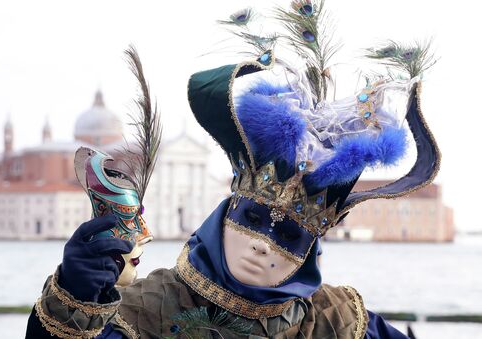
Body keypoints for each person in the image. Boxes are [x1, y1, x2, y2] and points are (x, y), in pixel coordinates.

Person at [25, 2, 440, 338]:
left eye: (290, 235)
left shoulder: (340, 322)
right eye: (254, 219)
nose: (264, 244)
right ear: (227, 213)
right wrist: (75, 296)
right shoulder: (144, 310)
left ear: (310, 248)